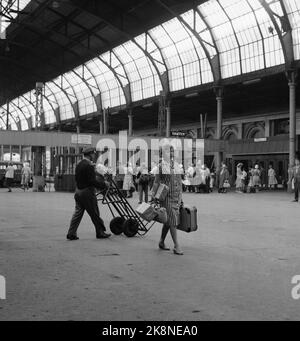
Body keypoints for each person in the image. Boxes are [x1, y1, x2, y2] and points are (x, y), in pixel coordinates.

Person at [67, 147, 111, 240]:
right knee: (94, 213)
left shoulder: (79, 164)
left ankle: (71, 233)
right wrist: (104, 184)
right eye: (93, 154)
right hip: (87, 193)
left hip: (78, 191)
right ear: (90, 154)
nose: (94, 155)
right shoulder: (89, 165)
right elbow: (92, 181)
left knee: (78, 213)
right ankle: (100, 232)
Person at [152, 144, 184, 255]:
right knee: (173, 221)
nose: (170, 153)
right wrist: (153, 196)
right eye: (167, 151)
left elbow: (179, 182)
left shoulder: (176, 165)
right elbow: (156, 182)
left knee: (168, 221)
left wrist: (181, 196)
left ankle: (161, 241)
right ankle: (177, 246)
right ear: (162, 153)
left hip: (175, 196)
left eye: (171, 151)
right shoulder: (160, 166)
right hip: (165, 197)